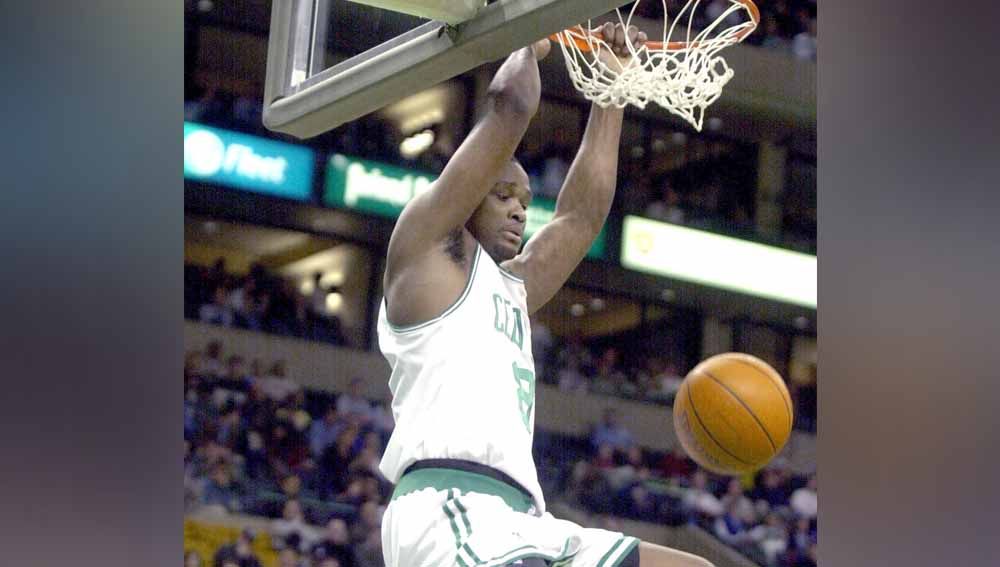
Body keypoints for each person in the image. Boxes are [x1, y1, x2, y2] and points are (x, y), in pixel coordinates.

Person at [375, 24, 714, 567]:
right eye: (503, 193)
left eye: (525, 200)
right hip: (447, 503)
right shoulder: (422, 248)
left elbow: (580, 218)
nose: (517, 209)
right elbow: (510, 107)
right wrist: (528, 32)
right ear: (465, 193)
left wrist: (613, 90)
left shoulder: (511, 288)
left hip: (523, 520)